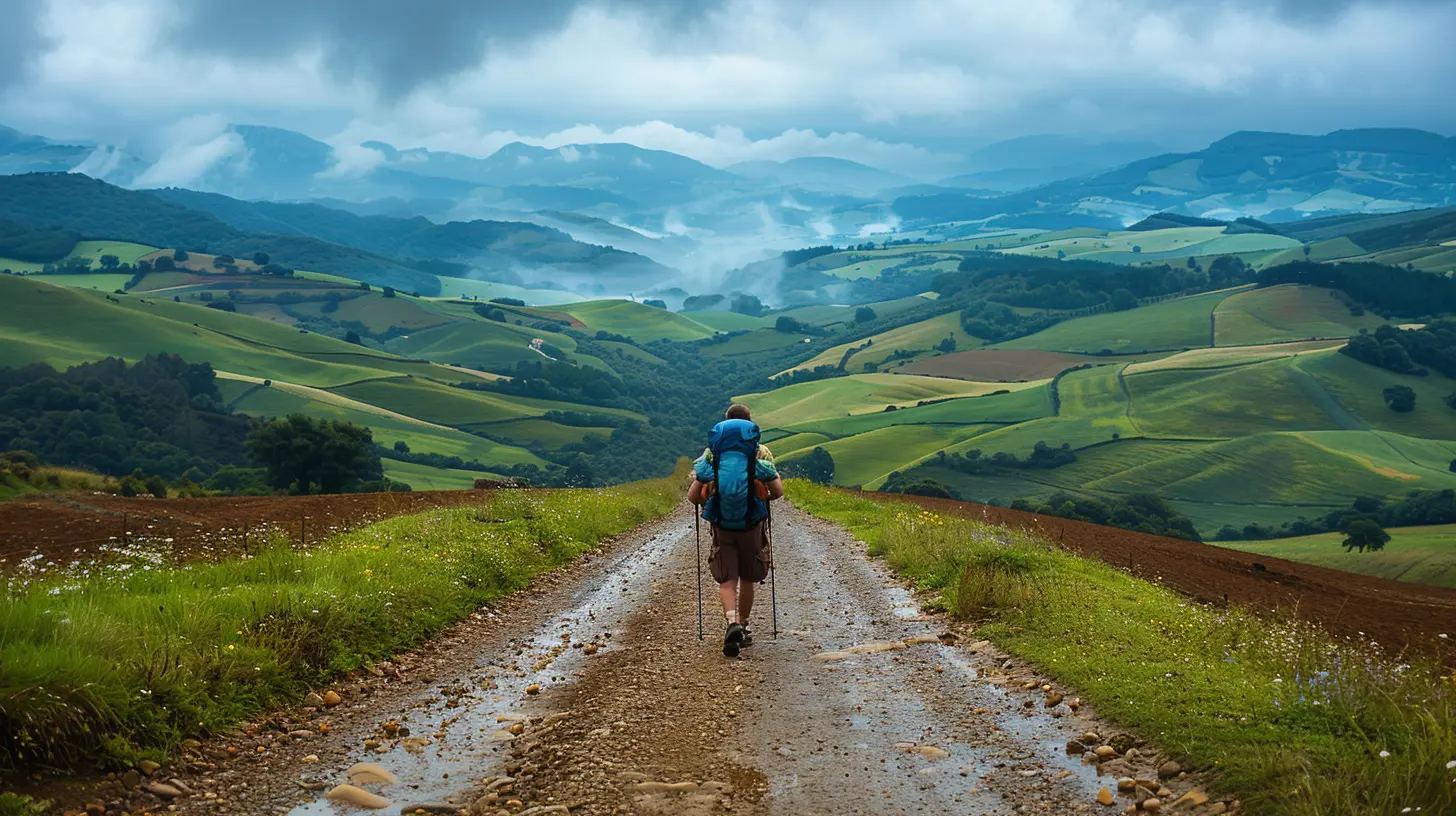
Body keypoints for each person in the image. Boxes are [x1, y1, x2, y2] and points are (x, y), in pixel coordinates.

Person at [688, 403, 784, 657]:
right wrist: (763, 497)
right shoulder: (760, 451)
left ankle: (732, 622)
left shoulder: (713, 453)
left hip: (722, 525)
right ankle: (744, 625)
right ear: (749, 425)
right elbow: (777, 491)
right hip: (751, 524)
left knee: (727, 579)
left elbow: (693, 496)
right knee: (748, 577)